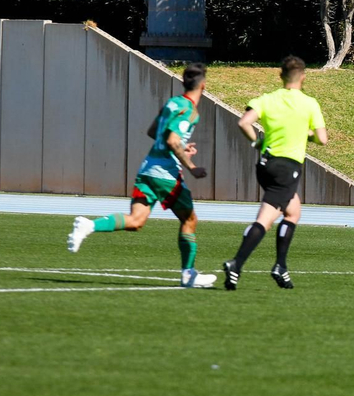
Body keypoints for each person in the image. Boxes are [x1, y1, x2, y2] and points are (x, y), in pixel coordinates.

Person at [66, 63, 216, 289]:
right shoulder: (191, 110)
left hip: (147, 169)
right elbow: (173, 140)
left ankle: (89, 225)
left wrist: (181, 147)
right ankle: (188, 274)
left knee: (136, 221)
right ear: (203, 86)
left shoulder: (172, 103)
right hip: (165, 174)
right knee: (189, 219)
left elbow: (153, 132)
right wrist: (192, 166)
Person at [222, 55, 328, 290]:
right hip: (287, 167)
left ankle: (281, 265)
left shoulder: (268, 99)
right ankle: (236, 264)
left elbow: (244, 123)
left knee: (293, 211)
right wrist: (305, 134)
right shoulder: (309, 103)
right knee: (265, 220)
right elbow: (322, 139)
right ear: (303, 77)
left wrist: (256, 143)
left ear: (280, 76)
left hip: (266, 164)